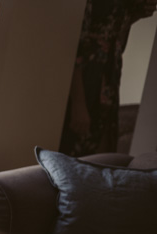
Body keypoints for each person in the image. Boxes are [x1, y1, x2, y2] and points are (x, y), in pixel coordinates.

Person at [60, 0, 157, 156]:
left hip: (109, 77)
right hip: (84, 80)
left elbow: (115, 36)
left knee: (101, 153)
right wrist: (78, 102)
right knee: (74, 147)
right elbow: (73, 45)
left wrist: (135, 15)